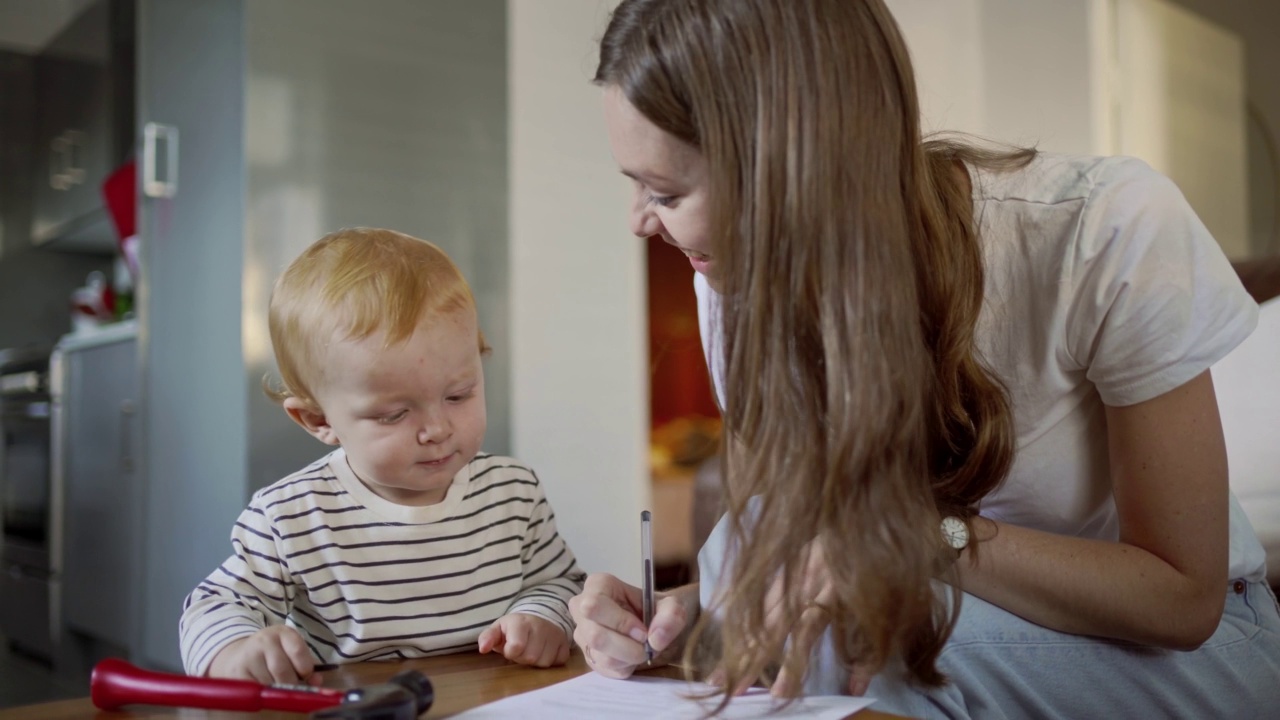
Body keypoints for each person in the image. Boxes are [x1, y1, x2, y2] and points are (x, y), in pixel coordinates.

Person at [567, 1, 1280, 717]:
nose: (638, 222)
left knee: (869, 642)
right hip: (946, 614)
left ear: (794, 167)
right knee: (738, 544)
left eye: (664, 192)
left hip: (1194, 647)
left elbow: (1184, 602)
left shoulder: (1104, 230)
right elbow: (801, 552)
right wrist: (681, 617)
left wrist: (918, 537)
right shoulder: (736, 280)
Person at [180, 228, 585, 683]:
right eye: (394, 414)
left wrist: (543, 618)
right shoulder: (289, 516)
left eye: (459, 395)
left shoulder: (513, 492)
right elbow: (215, 606)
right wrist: (235, 650)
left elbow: (560, 583)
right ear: (318, 420)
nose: (437, 429)